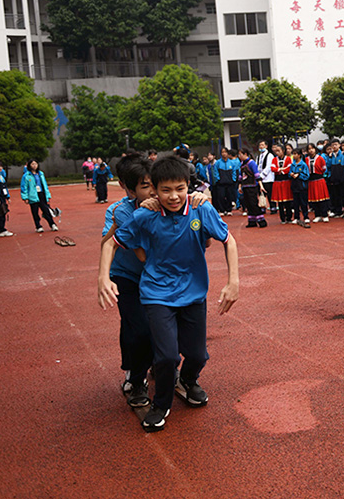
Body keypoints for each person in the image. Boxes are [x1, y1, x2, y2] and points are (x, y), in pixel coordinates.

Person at [99, 155, 239, 432]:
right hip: (157, 294)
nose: (173, 196)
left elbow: (228, 240)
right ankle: (160, 403)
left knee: (197, 355)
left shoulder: (201, 209)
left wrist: (233, 281)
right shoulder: (144, 215)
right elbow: (111, 243)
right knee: (166, 357)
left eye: (180, 189)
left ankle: (187, 380)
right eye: (165, 190)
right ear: (155, 190)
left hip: (193, 293)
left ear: (188, 186)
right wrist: (103, 277)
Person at [100, 154, 155, 409]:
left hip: (156, 276)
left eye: (154, 184)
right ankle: (135, 376)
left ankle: (162, 365)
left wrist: (199, 198)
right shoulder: (120, 211)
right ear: (129, 188)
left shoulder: (167, 201)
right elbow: (136, 252)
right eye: (145, 186)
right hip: (128, 276)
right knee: (138, 327)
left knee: (160, 324)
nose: (153, 191)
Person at [20, 159, 58, 233]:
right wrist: (25, 197)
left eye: (35, 164)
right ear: (29, 165)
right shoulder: (26, 176)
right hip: (32, 195)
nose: (34, 166)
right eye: (32, 164)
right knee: (35, 212)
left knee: (46, 210)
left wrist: (48, 195)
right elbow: (24, 187)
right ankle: (38, 226)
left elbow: (45, 185)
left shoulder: (40, 174)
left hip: (41, 194)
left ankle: (52, 224)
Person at [238, 148, 267, 228]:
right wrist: (240, 186)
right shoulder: (242, 164)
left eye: (240, 154)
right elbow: (240, 176)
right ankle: (252, 221)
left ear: (245, 154)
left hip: (252, 186)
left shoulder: (251, 163)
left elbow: (257, 175)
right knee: (248, 204)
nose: (239, 156)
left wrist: (261, 186)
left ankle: (261, 221)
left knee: (253, 203)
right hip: (245, 186)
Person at [270, 144, 294, 224]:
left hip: (286, 181)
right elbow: (272, 168)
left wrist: (280, 170)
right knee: (280, 201)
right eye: (276, 151)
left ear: (283, 151)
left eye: (278, 151)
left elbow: (289, 168)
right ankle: (282, 218)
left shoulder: (288, 159)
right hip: (278, 182)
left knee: (288, 200)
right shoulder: (274, 159)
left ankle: (289, 217)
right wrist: (280, 169)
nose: (277, 152)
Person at [213, 147, 239, 216]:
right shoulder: (218, 162)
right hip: (221, 183)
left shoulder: (231, 163)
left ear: (228, 153)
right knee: (221, 196)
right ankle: (222, 210)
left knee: (229, 196)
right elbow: (215, 172)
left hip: (229, 183)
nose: (224, 154)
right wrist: (218, 179)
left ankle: (228, 210)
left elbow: (234, 171)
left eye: (225, 152)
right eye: (222, 152)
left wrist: (233, 179)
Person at [289, 149, 311, 228]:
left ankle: (306, 216)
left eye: (295, 154)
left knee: (303, 202)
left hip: (302, 186)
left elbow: (307, 175)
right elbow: (289, 173)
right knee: (295, 203)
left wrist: (299, 175)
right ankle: (296, 217)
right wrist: (291, 174)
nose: (294, 156)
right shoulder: (292, 164)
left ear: (299, 155)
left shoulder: (303, 164)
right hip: (294, 185)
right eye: (293, 154)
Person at [255, 141, 276, 215]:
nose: (261, 146)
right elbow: (257, 166)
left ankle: (273, 207)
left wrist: (262, 175)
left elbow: (268, 167)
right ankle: (263, 207)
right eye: (260, 145)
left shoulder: (270, 155)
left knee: (270, 194)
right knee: (262, 194)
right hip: (260, 179)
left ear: (266, 146)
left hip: (268, 178)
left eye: (262, 145)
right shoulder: (258, 156)